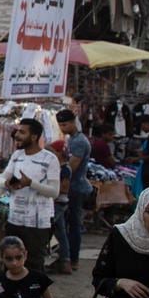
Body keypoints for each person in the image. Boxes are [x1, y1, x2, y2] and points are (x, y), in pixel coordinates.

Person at [0, 117, 59, 270]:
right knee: (12, 263)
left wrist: (31, 183)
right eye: (17, 131)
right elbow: (2, 180)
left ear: (34, 137)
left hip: (37, 223)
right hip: (15, 219)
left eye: (22, 132)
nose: (16, 135)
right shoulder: (17, 156)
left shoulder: (49, 159)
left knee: (33, 263)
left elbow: (54, 192)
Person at [57, 109, 92, 272]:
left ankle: (73, 259)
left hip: (76, 188)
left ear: (72, 122)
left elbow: (71, 168)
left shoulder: (78, 141)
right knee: (69, 224)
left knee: (73, 224)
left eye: (65, 124)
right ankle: (68, 258)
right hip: (74, 187)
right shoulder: (73, 139)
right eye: (60, 125)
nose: (63, 128)